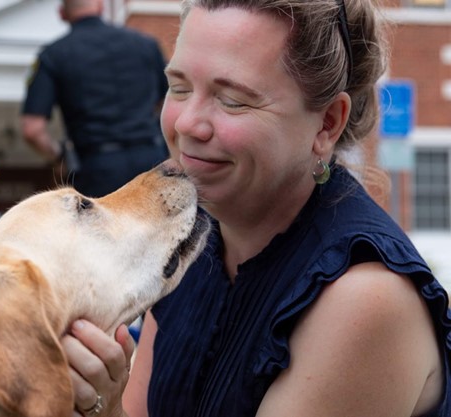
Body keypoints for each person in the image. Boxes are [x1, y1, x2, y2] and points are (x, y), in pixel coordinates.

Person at [60, 1, 451, 416]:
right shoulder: (190, 238)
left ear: (327, 124)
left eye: (232, 100)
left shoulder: (365, 296)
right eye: (179, 88)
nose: (187, 124)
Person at [21, 0, 169, 198]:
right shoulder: (146, 45)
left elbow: (33, 129)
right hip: (153, 160)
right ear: (100, 6)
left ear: (61, 14)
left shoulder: (53, 55)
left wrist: (60, 158)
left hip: (97, 171)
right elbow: (169, 101)